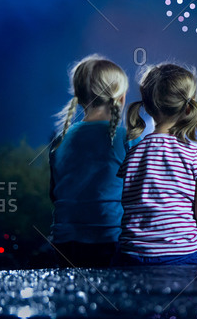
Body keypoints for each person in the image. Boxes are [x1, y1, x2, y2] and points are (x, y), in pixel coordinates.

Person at [113, 63, 197, 265]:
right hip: (183, 254)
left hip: (132, 255)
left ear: (147, 106)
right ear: (189, 107)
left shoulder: (132, 154)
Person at [49, 54, 135, 267]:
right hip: (111, 239)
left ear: (79, 95)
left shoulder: (59, 140)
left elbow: (54, 193)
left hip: (64, 241)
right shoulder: (127, 140)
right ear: (121, 97)